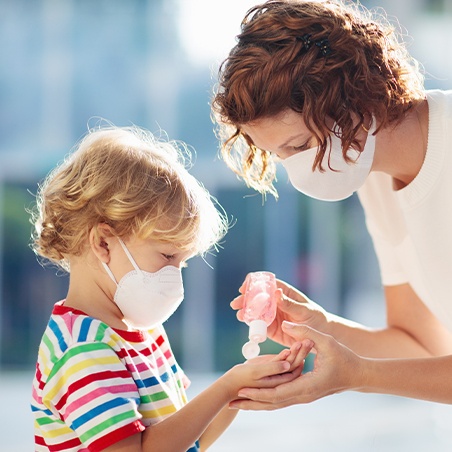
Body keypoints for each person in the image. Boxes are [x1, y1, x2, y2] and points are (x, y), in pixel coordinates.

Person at [211, 0, 452, 408]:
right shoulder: (375, 177)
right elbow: (423, 346)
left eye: (300, 145)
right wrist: (322, 327)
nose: (299, 171)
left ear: (354, 95)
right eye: (281, 156)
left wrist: (357, 375)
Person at [30, 125, 313, 451]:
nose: (175, 277)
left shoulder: (145, 331)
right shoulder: (82, 350)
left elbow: (188, 440)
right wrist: (226, 387)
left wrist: (242, 386)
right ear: (103, 242)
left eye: (183, 261)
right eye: (167, 255)